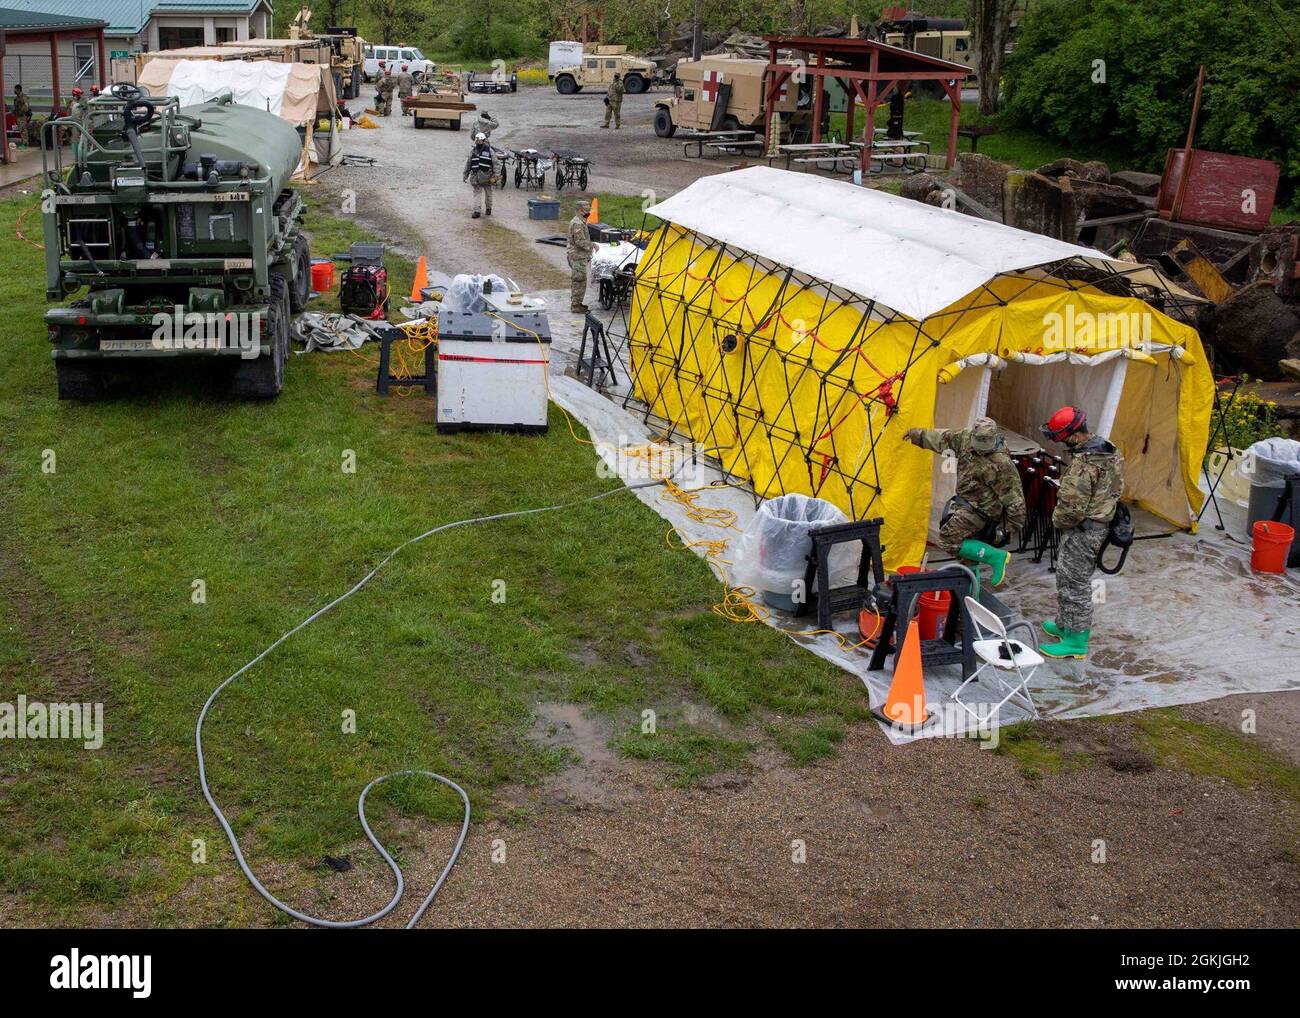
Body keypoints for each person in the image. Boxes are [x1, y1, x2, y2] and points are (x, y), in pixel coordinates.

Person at [1038, 406, 1125, 659]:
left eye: (1060, 437)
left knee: (1074, 583)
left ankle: (1076, 641)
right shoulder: (1109, 449)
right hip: (1099, 523)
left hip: (1083, 530)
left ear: (1074, 435)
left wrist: (1057, 520)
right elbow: (1117, 487)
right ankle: (1066, 624)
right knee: (1067, 577)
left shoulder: (1083, 466)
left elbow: (1070, 511)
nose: (1059, 442)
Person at [904, 416, 1026, 585]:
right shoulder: (964, 439)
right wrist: (916, 434)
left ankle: (997, 557)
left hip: (983, 510)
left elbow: (1014, 499)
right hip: (966, 502)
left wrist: (1009, 529)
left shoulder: (1002, 463)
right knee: (969, 560)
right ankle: (970, 598)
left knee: (948, 540)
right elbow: (942, 439)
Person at [567, 199, 594, 312]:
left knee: (580, 280)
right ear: (579, 210)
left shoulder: (580, 221)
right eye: (586, 210)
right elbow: (580, 241)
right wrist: (592, 246)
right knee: (579, 281)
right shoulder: (577, 223)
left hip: (578, 256)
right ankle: (576, 305)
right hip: (577, 256)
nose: (588, 212)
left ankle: (577, 302)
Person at [463, 132, 495, 219]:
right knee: (481, 192)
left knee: (487, 193)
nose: (478, 142)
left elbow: (496, 164)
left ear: (483, 140)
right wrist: (465, 175)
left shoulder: (488, 151)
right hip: (478, 177)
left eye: (479, 140)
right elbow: (469, 163)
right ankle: (478, 210)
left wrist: (496, 176)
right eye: (477, 140)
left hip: (486, 177)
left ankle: (486, 208)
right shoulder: (476, 151)